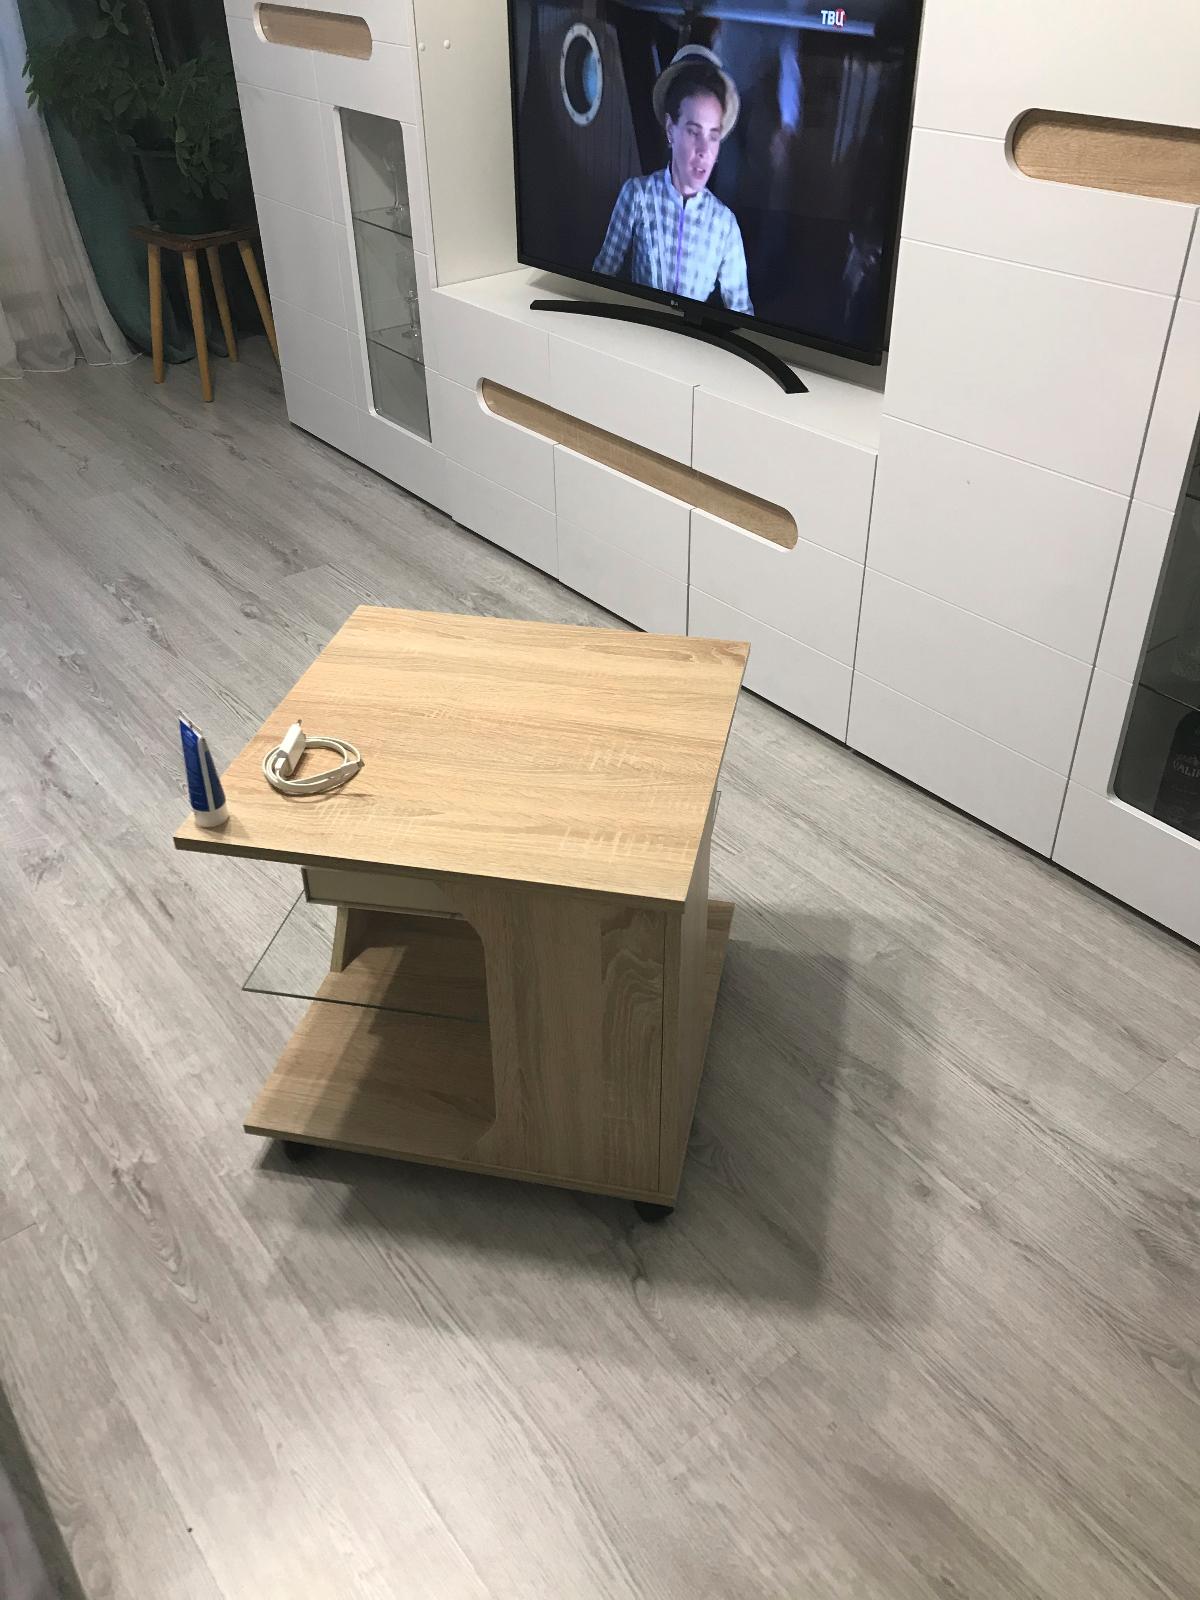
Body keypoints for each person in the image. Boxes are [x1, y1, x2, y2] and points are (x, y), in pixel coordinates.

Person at [593, 45, 753, 314]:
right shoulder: (637, 195)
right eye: (693, 132)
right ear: (671, 129)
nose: (704, 150)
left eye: (713, 136)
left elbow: (741, 310)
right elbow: (601, 275)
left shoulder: (725, 225)